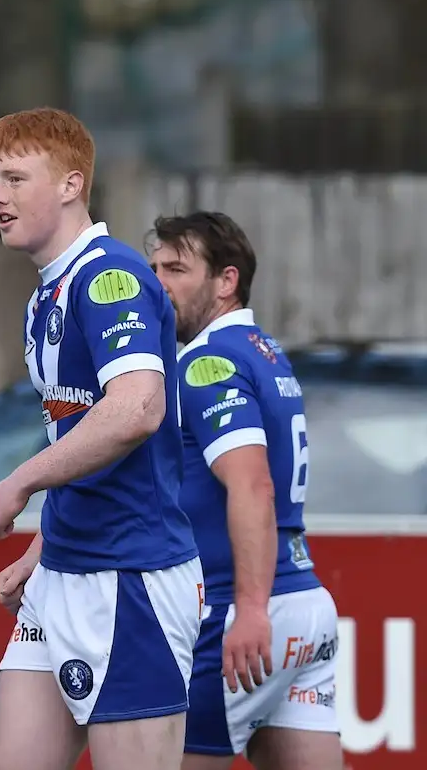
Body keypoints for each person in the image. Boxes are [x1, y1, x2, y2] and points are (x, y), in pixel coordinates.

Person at [0, 108, 203, 770]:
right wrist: (45, 544)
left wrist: (19, 480)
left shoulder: (110, 277)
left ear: (72, 184)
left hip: (130, 575)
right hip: (64, 571)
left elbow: (135, 409)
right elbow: (84, 439)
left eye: (16, 178)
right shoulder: (47, 293)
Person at [147, 212, 343, 770]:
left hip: (241, 611)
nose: (159, 282)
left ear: (226, 281)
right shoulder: (264, 350)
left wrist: (250, 611)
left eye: (177, 268)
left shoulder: (207, 362)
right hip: (303, 602)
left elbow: (252, 483)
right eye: (154, 267)